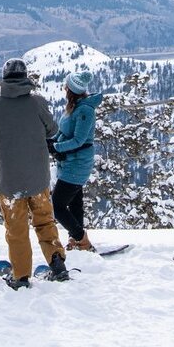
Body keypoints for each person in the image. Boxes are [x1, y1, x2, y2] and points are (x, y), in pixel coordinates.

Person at [0, 57, 67, 288]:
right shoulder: (37, 103)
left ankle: (20, 276)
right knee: (45, 221)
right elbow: (53, 130)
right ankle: (57, 265)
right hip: (38, 177)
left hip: (9, 181)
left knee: (16, 230)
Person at [51, 70, 102, 252]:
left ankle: (81, 238)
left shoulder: (85, 110)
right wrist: (53, 140)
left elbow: (79, 140)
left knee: (56, 205)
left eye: (66, 86)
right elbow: (64, 131)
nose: (64, 88)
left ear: (70, 89)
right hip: (70, 162)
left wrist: (56, 148)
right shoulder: (74, 107)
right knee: (75, 203)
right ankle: (76, 241)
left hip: (77, 163)